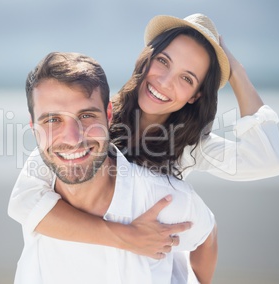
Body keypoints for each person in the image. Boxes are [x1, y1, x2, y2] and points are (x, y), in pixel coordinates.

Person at [9, 12, 279, 267]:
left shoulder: (190, 146)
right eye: (163, 61)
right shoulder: (93, 120)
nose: (165, 81)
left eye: (187, 79)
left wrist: (236, 72)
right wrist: (124, 236)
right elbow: (25, 202)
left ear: (195, 96)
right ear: (147, 57)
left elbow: (268, 161)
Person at [14, 51, 217, 284]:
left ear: (109, 115)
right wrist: (127, 236)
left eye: (87, 115)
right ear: (33, 127)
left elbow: (207, 234)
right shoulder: (36, 189)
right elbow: (21, 204)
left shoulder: (161, 198)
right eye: (52, 120)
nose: (72, 138)